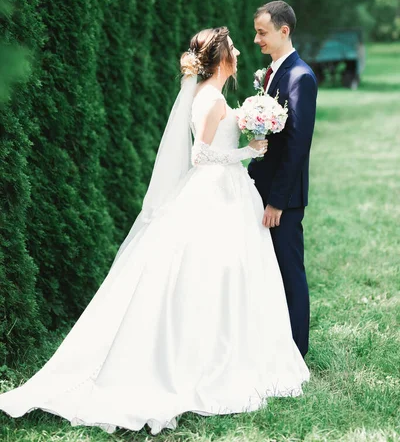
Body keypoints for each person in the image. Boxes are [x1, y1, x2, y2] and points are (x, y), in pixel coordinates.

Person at [0, 27, 309, 436]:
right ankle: (212, 359)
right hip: (217, 192)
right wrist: (247, 152)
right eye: (233, 47)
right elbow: (202, 155)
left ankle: (232, 347)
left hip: (228, 192)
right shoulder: (212, 99)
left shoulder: (209, 96)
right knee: (217, 273)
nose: (238, 50)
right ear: (222, 60)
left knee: (231, 273)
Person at [249, 1, 318, 358]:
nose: (257, 38)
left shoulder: (300, 77)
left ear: (283, 30)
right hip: (259, 188)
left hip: (284, 199)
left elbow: (297, 146)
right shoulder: (272, 73)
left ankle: (297, 352)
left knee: (289, 269)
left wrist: (277, 200)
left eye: (262, 31)